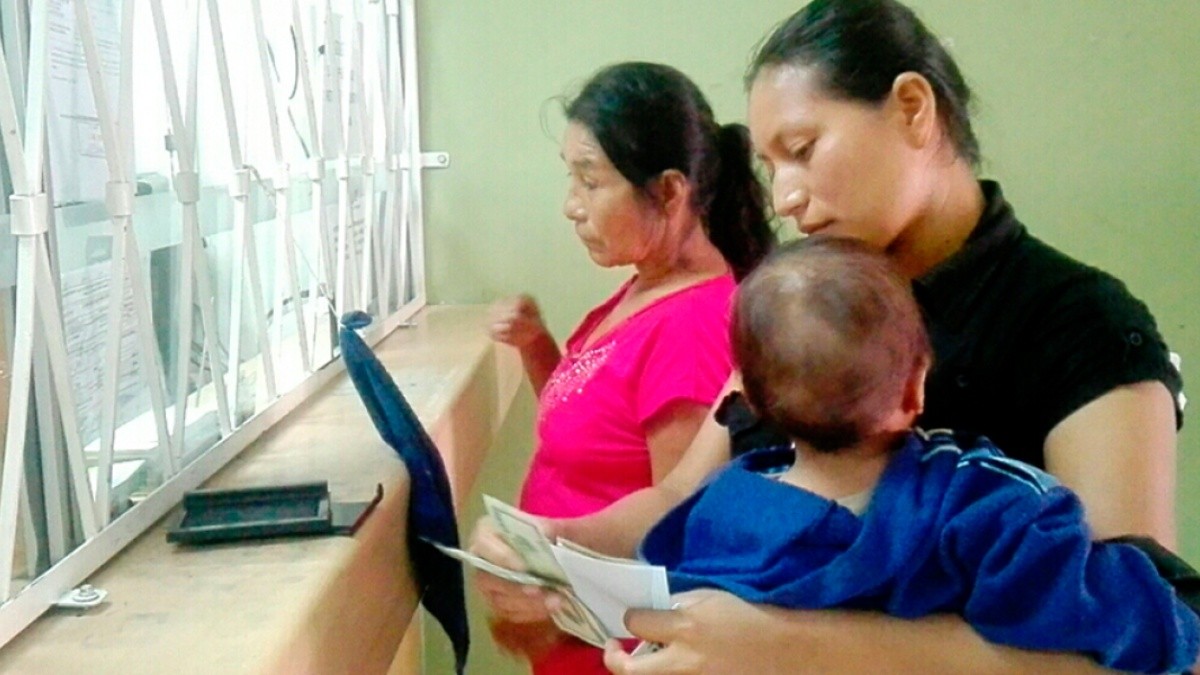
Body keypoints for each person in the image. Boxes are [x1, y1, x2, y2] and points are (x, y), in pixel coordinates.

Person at [471, 1, 1188, 671]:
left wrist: (788, 647)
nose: (784, 196)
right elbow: (677, 498)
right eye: (769, 166)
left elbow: (1136, 644)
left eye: (804, 149)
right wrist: (556, 546)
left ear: (913, 109)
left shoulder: (1078, 324)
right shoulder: (797, 307)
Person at [636, 237, 1199, 674]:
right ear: (914, 390)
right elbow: (1075, 604)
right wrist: (1175, 615)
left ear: (751, 403)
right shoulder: (976, 505)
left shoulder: (719, 510)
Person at [482, 61, 774, 674]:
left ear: (670, 191)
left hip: (612, 651)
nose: (571, 206)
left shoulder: (695, 326)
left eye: (590, 182)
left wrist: (554, 551)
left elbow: (674, 520)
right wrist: (539, 347)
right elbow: (587, 433)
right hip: (568, 634)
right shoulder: (643, 287)